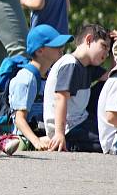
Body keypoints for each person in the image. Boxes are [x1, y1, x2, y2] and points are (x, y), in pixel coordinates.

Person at [43, 23, 111, 152]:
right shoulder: (70, 64)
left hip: (81, 121)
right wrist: (59, 133)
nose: (106, 53)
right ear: (89, 40)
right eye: (104, 46)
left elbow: (112, 77)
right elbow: (60, 98)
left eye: (109, 50)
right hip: (69, 129)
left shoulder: (87, 66)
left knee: (108, 86)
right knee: (108, 142)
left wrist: (116, 51)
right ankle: (60, 142)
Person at [9, 25, 73, 151]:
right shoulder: (26, 78)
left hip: (43, 132)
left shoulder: (50, 74)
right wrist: (36, 142)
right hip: (25, 138)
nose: (61, 49)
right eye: (56, 45)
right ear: (40, 51)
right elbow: (19, 119)